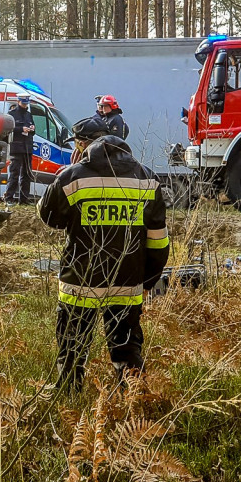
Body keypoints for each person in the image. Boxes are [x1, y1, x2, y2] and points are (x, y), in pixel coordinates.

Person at [37, 117, 169, 393]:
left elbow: (48, 215)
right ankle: (134, 404)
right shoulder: (147, 179)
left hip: (79, 283)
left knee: (72, 350)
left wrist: (70, 169)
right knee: (127, 354)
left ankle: (69, 398)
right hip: (128, 282)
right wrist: (147, 281)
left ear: (82, 145)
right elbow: (158, 243)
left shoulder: (72, 177)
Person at [5, 95, 35, 206]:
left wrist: (32, 129)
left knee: (27, 175)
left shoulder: (28, 115)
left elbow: (33, 131)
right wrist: (21, 129)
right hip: (16, 148)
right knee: (14, 174)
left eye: (26, 103)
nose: (25, 105)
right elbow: (8, 128)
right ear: (18, 101)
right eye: (23, 103)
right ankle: (9, 198)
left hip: (27, 148)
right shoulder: (11, 115)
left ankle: (24, 199)